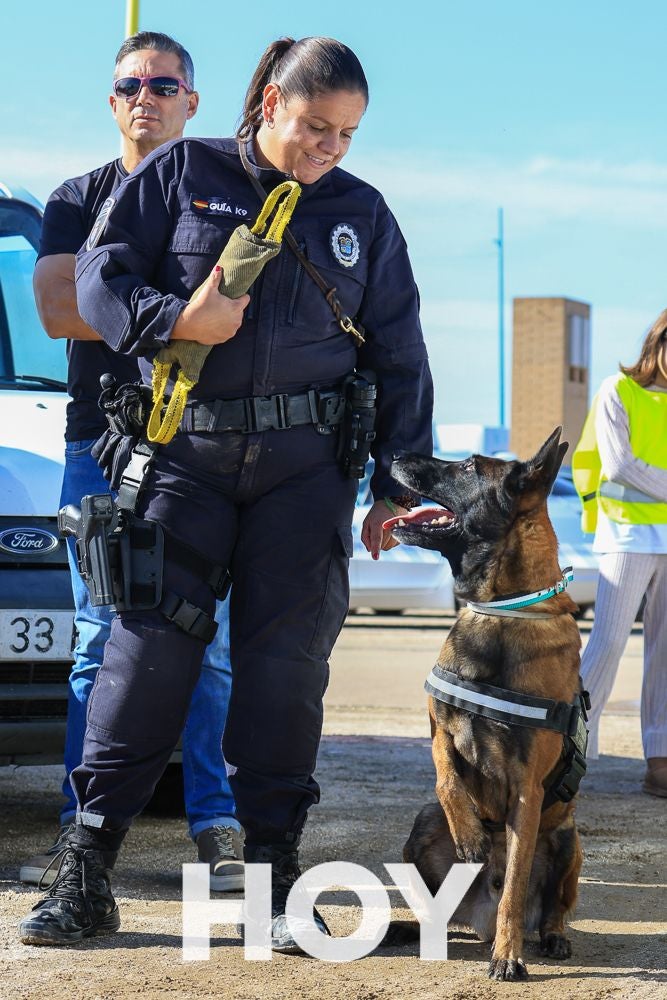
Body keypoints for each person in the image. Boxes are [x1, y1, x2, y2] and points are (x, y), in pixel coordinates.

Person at [18, 35, 433, 951]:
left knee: (284, 678)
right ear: (268, 103)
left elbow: (399, 354)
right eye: (315, 126)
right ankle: (85, 872)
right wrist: (178, 320)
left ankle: (277, 886)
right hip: (182, 463)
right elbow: (99, 278)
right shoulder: (179, 173)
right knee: (141, 663)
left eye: (347, 135)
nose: (328, 147)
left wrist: (393, 487)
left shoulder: (363, 213)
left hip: (304, 475)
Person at [22, 30, 243, 894]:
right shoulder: (78, 197)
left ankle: (216, 825)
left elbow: (243, 308)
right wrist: (184, 312)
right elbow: (53, 308)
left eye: (164, 83)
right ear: (111, 101)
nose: (144, 95)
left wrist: (113, 294)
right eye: (129, 84)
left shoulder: (224, 196)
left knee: (208, 644)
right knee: (97, 638)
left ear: (194, 100)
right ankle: (83, 834)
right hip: (97, 443)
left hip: (198, 443)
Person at [573, 308, 667, 797]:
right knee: (607, 645)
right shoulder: (618, 391)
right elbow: (619, 464)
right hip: (627, 537)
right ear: (659, 344)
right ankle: (569, 753)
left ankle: (661, 761)